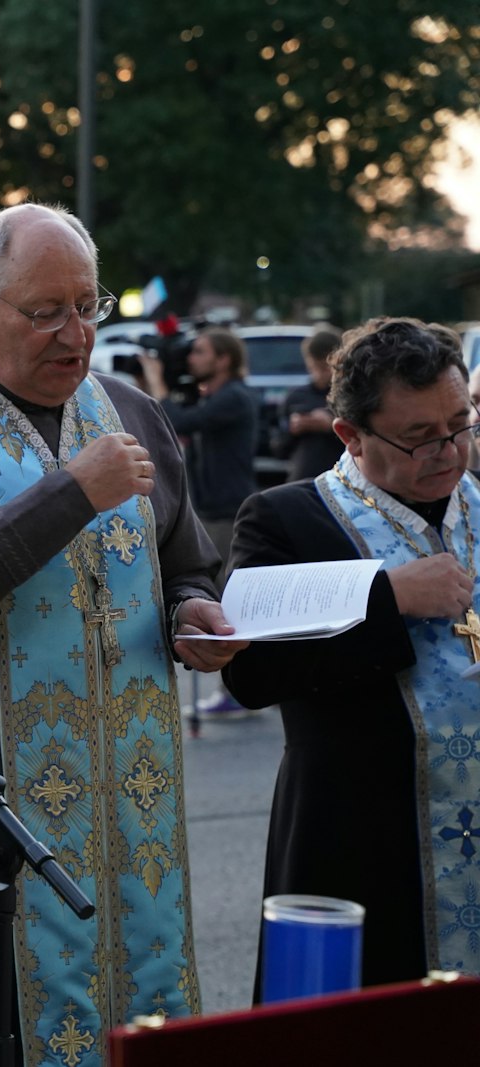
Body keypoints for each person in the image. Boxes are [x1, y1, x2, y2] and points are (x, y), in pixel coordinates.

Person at [0, 202, 243, 1067]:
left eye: (87, 306)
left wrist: (191, 613)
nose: (74, 335)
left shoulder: (131, 411)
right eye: (45, 311)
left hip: (132, 794)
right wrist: (71, 492)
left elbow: (189, 560)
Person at [223, 317, 480, 989]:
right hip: (363, 844)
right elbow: (251, 672)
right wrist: (386, 596)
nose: (449, 451)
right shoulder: (285, 519)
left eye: (461, 423)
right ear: (351, 435)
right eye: (420, 436)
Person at [140, 327, 261, 559]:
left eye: (199, 352)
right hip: (208, 507)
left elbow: (178, 421)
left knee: (219, 584)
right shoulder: (212, 396)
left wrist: (156, 381)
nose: (190, 359)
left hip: (226, 510)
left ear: (223, 360)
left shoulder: (235, 396)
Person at [272, 325, 344, 483]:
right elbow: (279, 449)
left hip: (342, 481)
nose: (321, 373)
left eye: (326, 367)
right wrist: (294, 429)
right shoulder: (297, 396)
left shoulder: (350, 396)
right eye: (316, 366)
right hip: (303, 479)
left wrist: (332, 426)